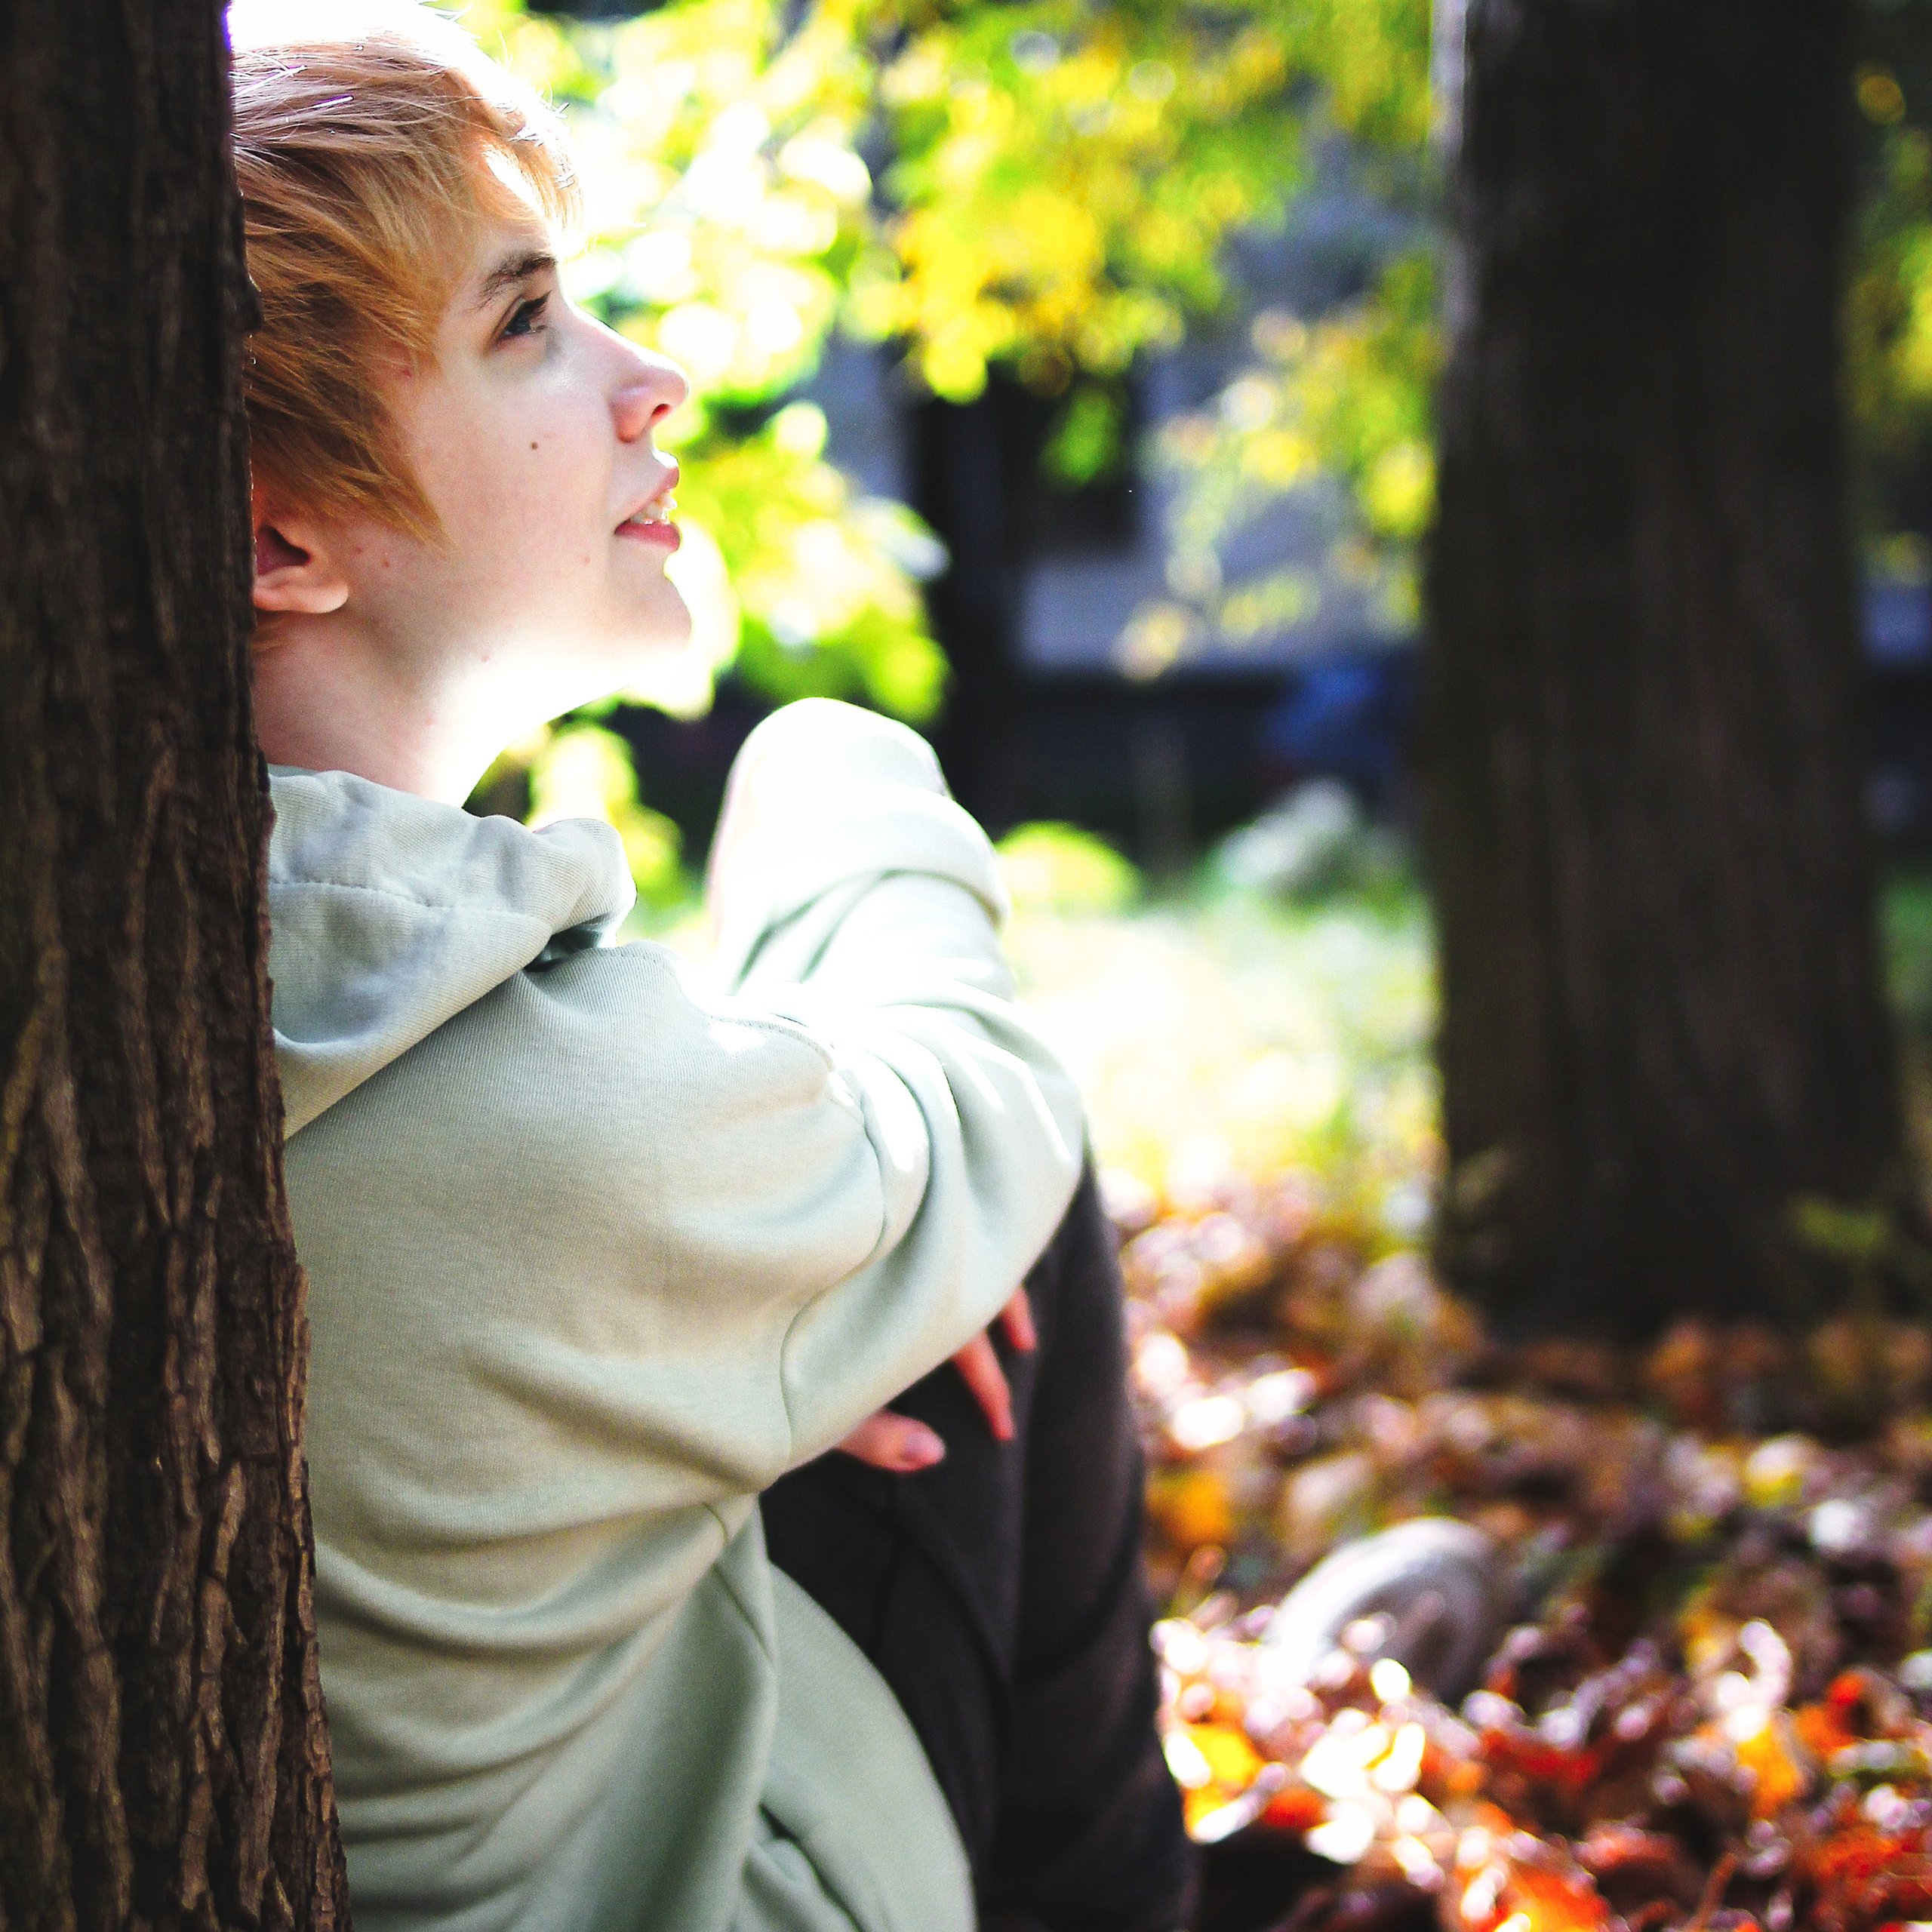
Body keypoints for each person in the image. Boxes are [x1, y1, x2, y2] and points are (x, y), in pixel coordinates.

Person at [229, 7, 1193, 1930]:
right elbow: (984, 1102)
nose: (648, 377)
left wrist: (702, 1365)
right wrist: (829, 760)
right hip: (711, 1881)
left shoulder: (200, 993)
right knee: (993, 1181)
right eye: (523, 324)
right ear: (284, 534)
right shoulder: (529, 1119)